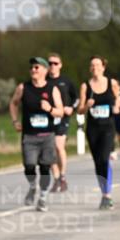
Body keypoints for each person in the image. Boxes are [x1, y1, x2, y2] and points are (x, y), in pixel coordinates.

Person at [9, 57, 64, 212]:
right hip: (29, 136)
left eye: (37, 67)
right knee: (29, 166)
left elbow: (60, 111)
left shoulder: (52, 89)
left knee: (45, 168)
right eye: (32, 67)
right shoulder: (23, 87)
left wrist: (50, 110)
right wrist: (15, 121)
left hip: (47, 135)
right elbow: (13, 103)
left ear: (45, 71)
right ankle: (33, 186)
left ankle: (43, 197)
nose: (33, 70)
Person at [77, 56, 120, 210]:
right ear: (90, 69)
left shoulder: (112, 83)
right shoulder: (85, 86)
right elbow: (80, 110)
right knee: (97, 162)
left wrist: (116, 106)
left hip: (108, 128)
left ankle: (107, 195)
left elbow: (118, 99)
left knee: (104, 158)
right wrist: (87, 106)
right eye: (92, 65)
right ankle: (104, 194)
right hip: (93, 129)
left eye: (97, 65)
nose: (95, 67)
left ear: (103, 67)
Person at [46, 53, 77, 192]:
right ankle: (57, 178)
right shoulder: (44, 81)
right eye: (50, 63)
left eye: (55, 63)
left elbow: (76, 98)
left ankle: (62, 176)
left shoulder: (66, 81)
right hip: (47, 119)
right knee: (49, 149)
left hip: (63, 118)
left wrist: (72, 108)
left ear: (60, 65)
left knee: (58, 146)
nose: (52, 66)